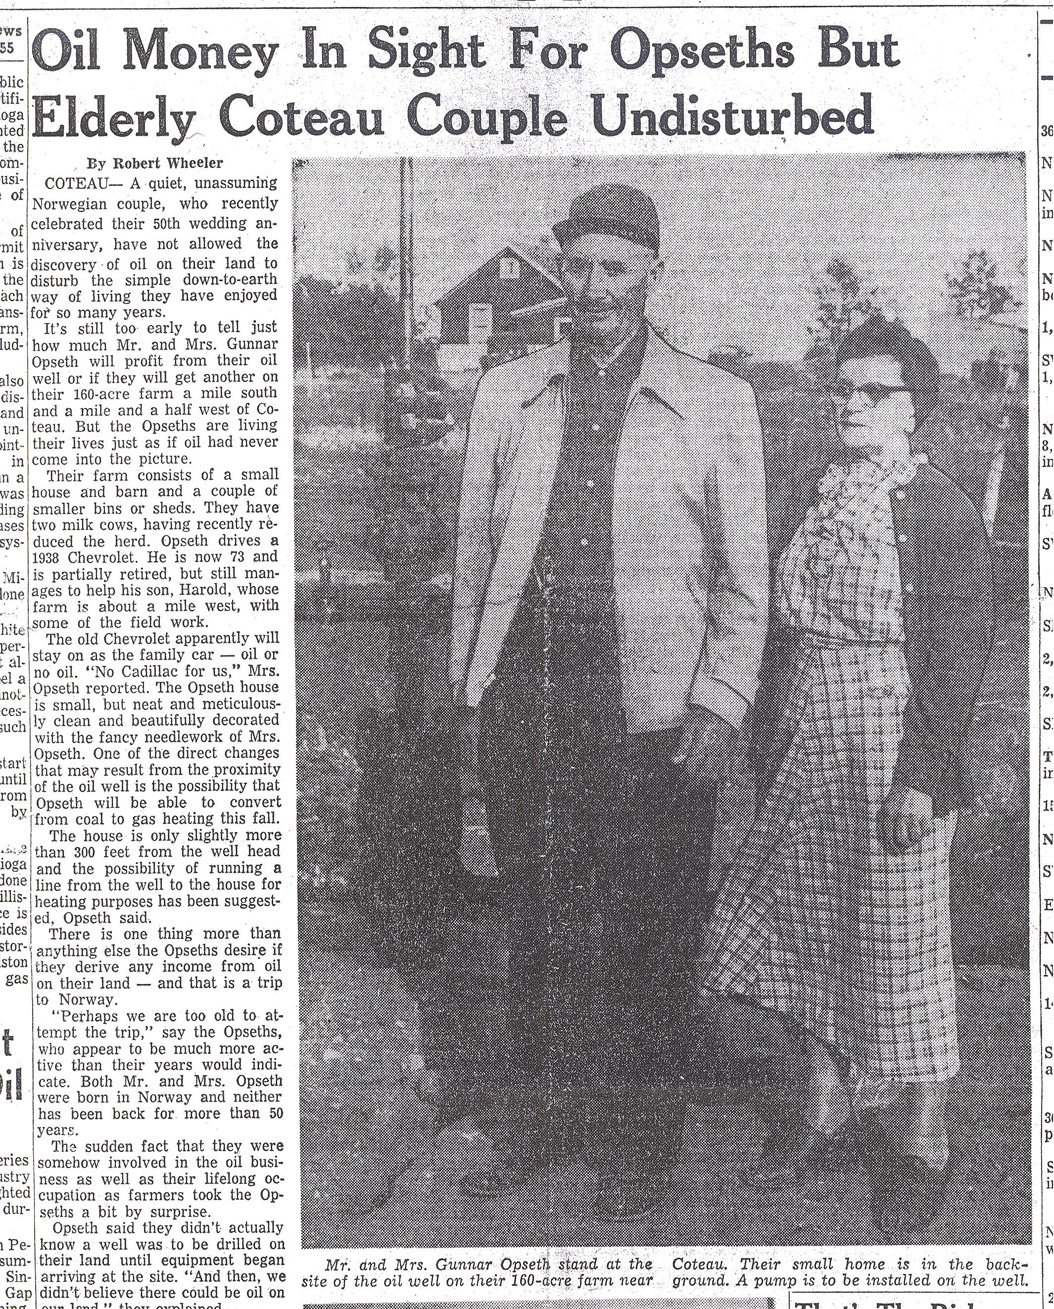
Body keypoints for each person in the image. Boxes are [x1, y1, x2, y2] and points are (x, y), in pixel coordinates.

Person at [441, 184, 769, 1218]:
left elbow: (742, 578)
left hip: (654, 714)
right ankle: (543, 1117)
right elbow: (473, 559)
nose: (594, 289)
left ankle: (637, 1144)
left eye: (615, 270)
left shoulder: (716, 401)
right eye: (577, 267)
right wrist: (469, 695)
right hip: (529, 700)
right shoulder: (510, 392)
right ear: (558, 271)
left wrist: (719, 704)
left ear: (651, 277)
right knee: (539, 925)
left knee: (646, 933)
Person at [700, 314, 994, 1235]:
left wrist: (923, 772)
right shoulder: (815, 493)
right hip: (805, 736)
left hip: (890, 741)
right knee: (807, 930)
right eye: (845, 388)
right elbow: (777, 620)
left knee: (904, 946)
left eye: (877, 391)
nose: (854, 403)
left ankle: (921, 1138)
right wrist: (765, 738)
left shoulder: (938, 506)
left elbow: (957, 653)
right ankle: (825, 1109)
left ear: (917, 409)